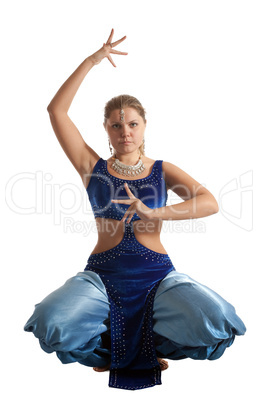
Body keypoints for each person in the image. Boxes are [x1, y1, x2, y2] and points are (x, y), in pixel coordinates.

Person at [24, 29, 246, 391]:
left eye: (132, 124)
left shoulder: (162, 170)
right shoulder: (91, 167)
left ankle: (150, 346)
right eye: (116, 125)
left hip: (158, 277)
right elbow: (56, 111)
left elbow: (209, 202)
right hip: (102, 276)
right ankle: (107, 352)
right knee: (52, 324)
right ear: (107, 131)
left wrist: (158, 213)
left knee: (217, 322)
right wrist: (92, 61)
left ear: (144, 127)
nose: (124, 131)